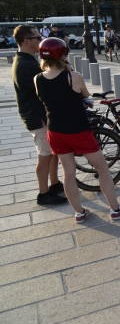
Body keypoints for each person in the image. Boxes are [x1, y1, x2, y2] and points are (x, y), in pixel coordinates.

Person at [34, 38, 120, 223]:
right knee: (103, 169)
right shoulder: (73, 76)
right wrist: (69, 68)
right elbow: (85, 94)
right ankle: (116, 210)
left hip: (55, 130)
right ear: (63, 54)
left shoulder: (37, 79)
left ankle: (79, 213)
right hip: (77, 130)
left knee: (68, 172)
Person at [12, 25, 68, 206]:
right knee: (44, 155)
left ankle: (54, 184)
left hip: (38, 114)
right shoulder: (27, 65)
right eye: (37, 38)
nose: (41, 40)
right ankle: (43, 194)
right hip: (37, 116)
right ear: (26, 41)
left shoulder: (25, 61)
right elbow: (49, 84)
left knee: (52, 153)